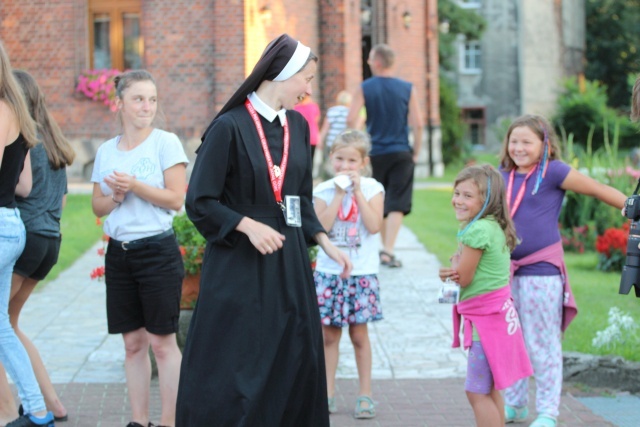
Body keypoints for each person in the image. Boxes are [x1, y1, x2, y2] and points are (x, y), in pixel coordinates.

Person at [176, 34, 351, 426]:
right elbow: (200, 201)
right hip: (239, 265)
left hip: (287, 264)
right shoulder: (229, 127)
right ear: (281, 74)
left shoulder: (298, 128)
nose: (309, 88)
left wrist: (325, 242)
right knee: (240, 361)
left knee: (291, 355)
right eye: (306, 78)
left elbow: (299, 199)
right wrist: (245, 225)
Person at [498, 115, 627, 427]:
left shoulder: (552, 172)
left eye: (527, 141)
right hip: (504, 274)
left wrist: (631, 207)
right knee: (511, 340)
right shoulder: (501, 176)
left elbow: (595, 189)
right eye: (514, 141)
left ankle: (547, 412)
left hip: (541, 272)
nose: (519, 147)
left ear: (545, 145)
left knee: (543, 343)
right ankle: (515, 404)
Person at [91, 69, 188, 427]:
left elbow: (176, 199)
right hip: (119, 254)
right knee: (132, 343)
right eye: (138, 99)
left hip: (157, 252)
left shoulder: (165, 143)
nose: (147, 106)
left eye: (152, 99)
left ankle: (168, 421)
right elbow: (97, 207)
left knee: (162, 343)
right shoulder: (105, 151)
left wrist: (134, 185)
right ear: (120, 105)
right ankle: (139, 421)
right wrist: (116, 196)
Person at [0, 69, 75, 424]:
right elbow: (59, 204)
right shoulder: (54, 141)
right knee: (9, 325)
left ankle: (9, 410)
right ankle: (51, 404)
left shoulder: (23, 139)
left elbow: (24, 189)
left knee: (1, 326)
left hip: (24, 237)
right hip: (50, 242)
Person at [438, 164, 532, 427]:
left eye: (468, 196)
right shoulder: (492, 226)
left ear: (486, 200)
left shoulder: (477, 231)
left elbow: (464, 278)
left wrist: (450, 269)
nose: (458, 200)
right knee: (490, 389)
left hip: (486, 324)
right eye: (457, 193)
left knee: (477, 391)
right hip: (498, 319)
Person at [312, 130, 384, 419]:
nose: (345, 166)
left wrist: (356, 194)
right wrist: (339, 192)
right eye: (340, 159)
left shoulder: (373, 188)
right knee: (329, 336)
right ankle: (327, 392)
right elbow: (320, 228)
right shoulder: (323, 190)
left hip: (362, 273)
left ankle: (365, 394)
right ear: (331, 159)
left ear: (363, 163)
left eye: (352, 161)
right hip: (330, 273)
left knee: (358, 335)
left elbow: (374, 225)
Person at [347, 43, 423, 268]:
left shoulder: (365, 87)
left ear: (377, 62)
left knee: (376, 199)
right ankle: (388, 250)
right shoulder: (408, 88)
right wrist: (416, 152)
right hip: (401, 151)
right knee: (398, 202)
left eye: (370, 59)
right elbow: (418, 124)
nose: (369, 63)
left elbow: (352, 119)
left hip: (375, 152)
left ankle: (382, 249)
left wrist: (357, 146)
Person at [293, 93, 320, 160]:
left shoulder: (296, 108)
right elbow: (316, 120)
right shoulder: (314, 107)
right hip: (312, 135)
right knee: (311, 160)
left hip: (299, 136)